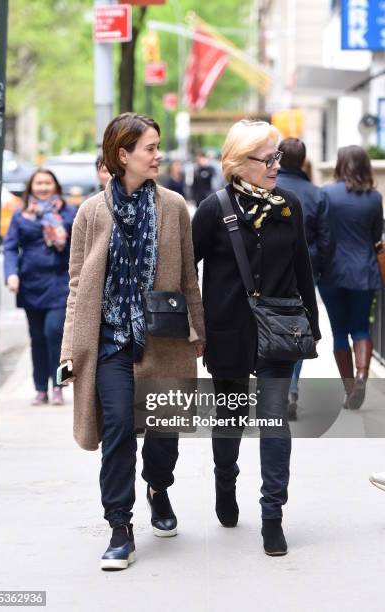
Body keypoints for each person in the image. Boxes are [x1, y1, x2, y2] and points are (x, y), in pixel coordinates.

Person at [59, 113, 205, 570]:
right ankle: (120, 527)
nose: (158, 155)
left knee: (163, 433)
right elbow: (78, 283)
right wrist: (69, 349)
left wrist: (197, 331)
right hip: (108, 340)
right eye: (150, 148)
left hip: (163, 338)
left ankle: (158, 488)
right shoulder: (91, 212)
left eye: (158, 147)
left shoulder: (175, 206)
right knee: (118, 427)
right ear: (123, 155)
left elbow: (188, 278)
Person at [192, 120, 320, 556]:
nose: (275, 166)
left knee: (273, 421)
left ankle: (272, 515)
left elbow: (302, 266)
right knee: (230, 420)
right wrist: (194, 324)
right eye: (267, 158)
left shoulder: (289, 205)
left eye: (277, 156)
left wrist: (312, 326)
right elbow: (189, 270)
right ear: (238, 163)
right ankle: (225, 482)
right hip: (227, 331)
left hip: (279, 331)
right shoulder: (213, 209)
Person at [3, 169, 77, 406]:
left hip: (60, 282)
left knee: (55, 334)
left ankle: (60, 386)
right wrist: (11, 274)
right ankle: (40, 388)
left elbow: (78, 246)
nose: (43, 187)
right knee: (37, 338)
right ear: (31, 187)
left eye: (48, 183)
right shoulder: (21, 216)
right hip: (31, 284)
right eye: (39, 183)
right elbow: (10, 247)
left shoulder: (69, 212)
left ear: (55, 186)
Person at [318, 145, 383, 410]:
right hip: (364, 272)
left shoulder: (326, 194)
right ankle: (362, 375)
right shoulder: (374, 198)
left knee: (339, 332)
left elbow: (320, 231)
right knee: (361, 328)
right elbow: (376, 236)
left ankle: (349, 388)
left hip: (332, 272)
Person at [277, 137, 333, 419]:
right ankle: (291, 386)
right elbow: (326, 240)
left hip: (270, 271)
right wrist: (318, 269)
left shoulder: (269, 188)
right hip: (305, 269)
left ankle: (275, 385)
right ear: (303, 160)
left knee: (269, 323)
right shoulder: (316, 193)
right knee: (298, 328)